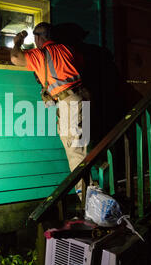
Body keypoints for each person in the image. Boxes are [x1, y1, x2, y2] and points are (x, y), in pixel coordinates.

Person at [10, 22, 91, 200]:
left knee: (75, 151)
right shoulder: (67, 49)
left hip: (68, 103)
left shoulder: (41, 54)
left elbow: (16, 58)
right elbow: (80, 65)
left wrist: (18, 42)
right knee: (82, 148)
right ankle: (91, 190)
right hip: (82, 98)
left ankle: (87, 199)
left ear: (39, 37)